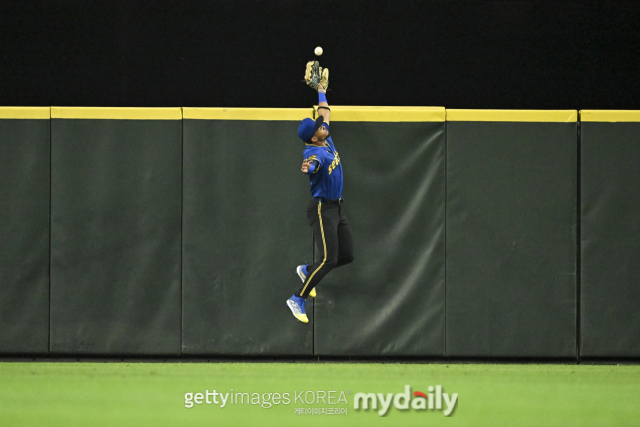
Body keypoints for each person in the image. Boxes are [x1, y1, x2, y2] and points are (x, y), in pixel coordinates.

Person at [286, 68, 354, 323]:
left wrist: (321, 90)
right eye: (319, 127)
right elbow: (311, 164)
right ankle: (297, 298)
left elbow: (324, 111)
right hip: (321, 209)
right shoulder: (312, 153)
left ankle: (306, 270)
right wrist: (309, 169)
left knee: (346, 256)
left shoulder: (325, 139)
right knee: (328, 259)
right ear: (314, 137)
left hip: (337, 209)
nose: (323, 124)